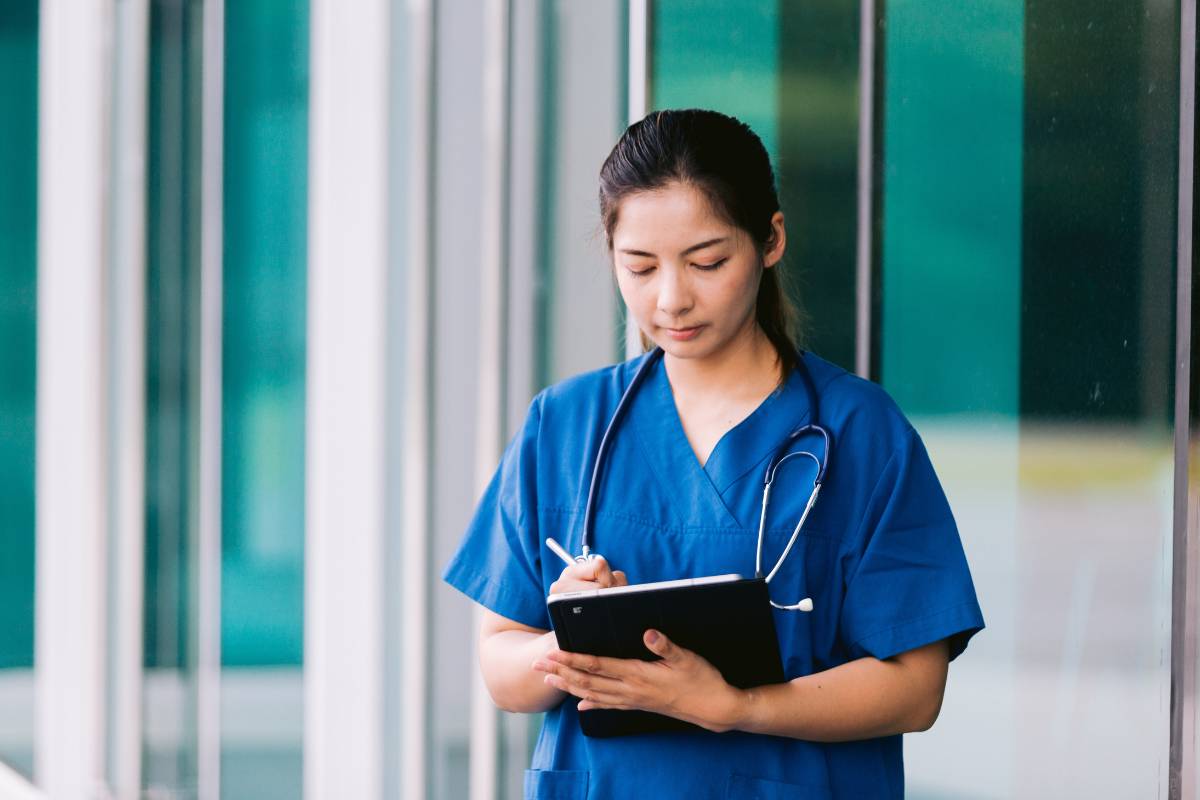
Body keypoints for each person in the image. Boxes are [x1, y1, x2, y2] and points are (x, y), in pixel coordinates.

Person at [443, 108, 984, 799]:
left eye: (707, 262)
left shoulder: (861, 433)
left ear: (770, 240)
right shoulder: (566, 425)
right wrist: (565, 642)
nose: (671, 299)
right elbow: (502, 665)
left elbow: (914, 688)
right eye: (639, 266)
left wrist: (735, 707)